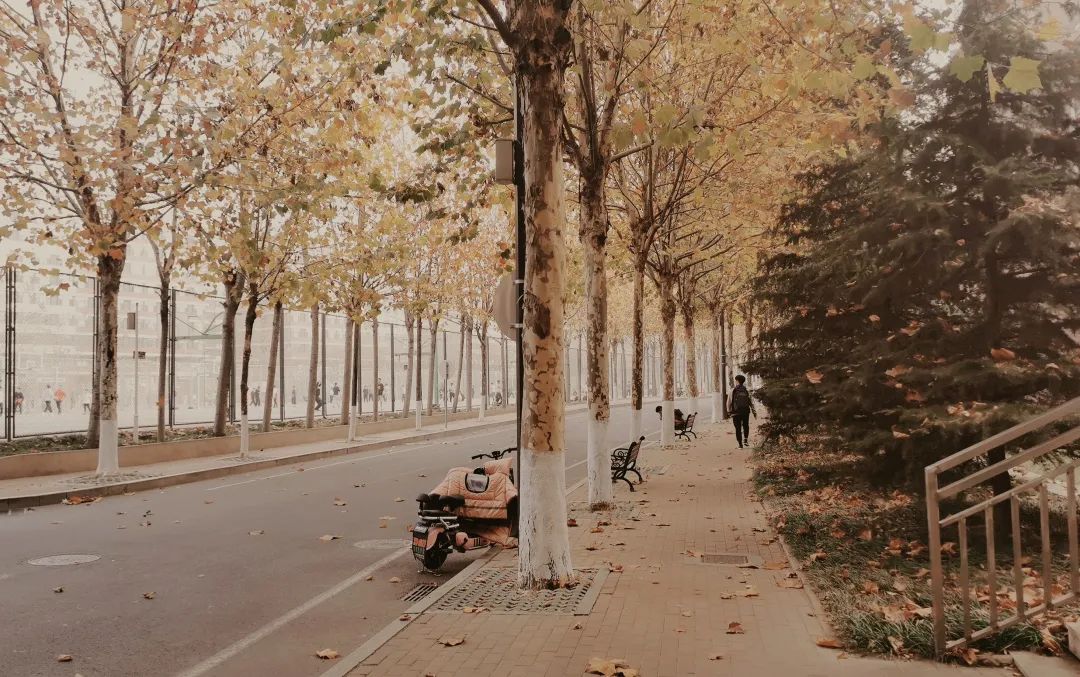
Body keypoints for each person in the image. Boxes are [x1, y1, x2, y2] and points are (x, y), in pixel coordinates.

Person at [727, 374, 757, 449]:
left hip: (736, 412)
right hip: (745, 411)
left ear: (737, 381)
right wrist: (754, 412)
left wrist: (729, 411)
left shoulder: (732, 391)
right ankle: (745, 440)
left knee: (738, 428)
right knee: (746, 425)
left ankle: (740, 445)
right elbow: (751, 402)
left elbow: (728, 403)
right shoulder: (746, 390)